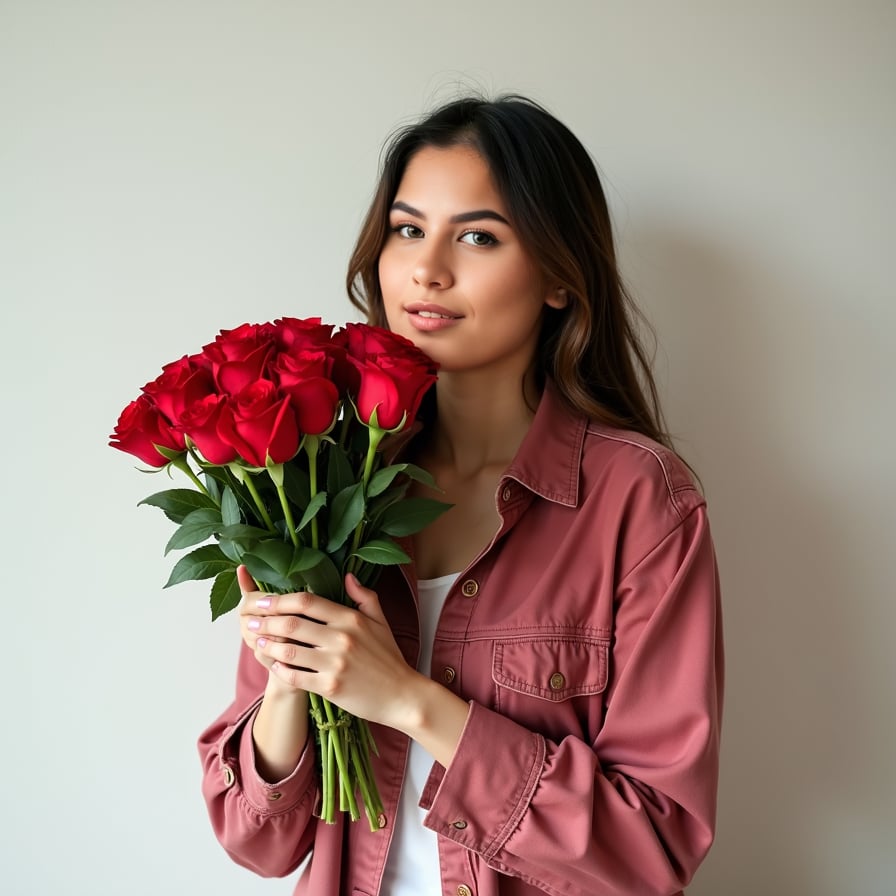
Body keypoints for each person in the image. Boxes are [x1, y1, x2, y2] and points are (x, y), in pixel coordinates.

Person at [198, 95, 723, 896]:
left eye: (477, 236)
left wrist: (409, 699)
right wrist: (290, 677)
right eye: (408, 229)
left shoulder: (639, 502)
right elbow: (257, 842)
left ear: (557, 276)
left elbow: (650, 852)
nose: (427, 267)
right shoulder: (319, 480)